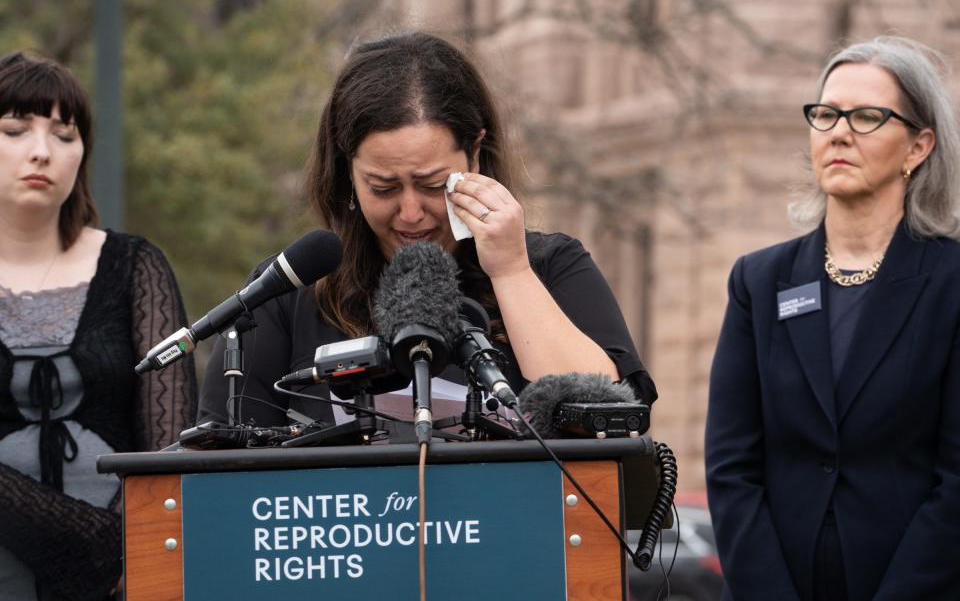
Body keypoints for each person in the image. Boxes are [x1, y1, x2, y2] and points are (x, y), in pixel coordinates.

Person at [197, 32, 656, 431]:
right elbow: (222, 466)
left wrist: (512, 272)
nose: (411, 212)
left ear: (475, 155)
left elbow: (608, 420)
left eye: (433, 185)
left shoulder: (550, 267)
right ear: (346, 173)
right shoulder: (290, 293)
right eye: (384, 187)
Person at [706, 35, 960, 601]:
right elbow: (731, 467)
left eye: (868, 116)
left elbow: (957, 481)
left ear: (918, 147)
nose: (839, 132)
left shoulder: (950, 282)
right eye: (826, 114)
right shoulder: (759, 280)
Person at [0, 52, 197, 600]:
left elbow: (172, 448)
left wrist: (124, 551)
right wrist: (90, 541)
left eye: (65, 135)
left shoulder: (137, 266)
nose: (42, 150)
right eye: (15, 129)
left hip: (126, 576)